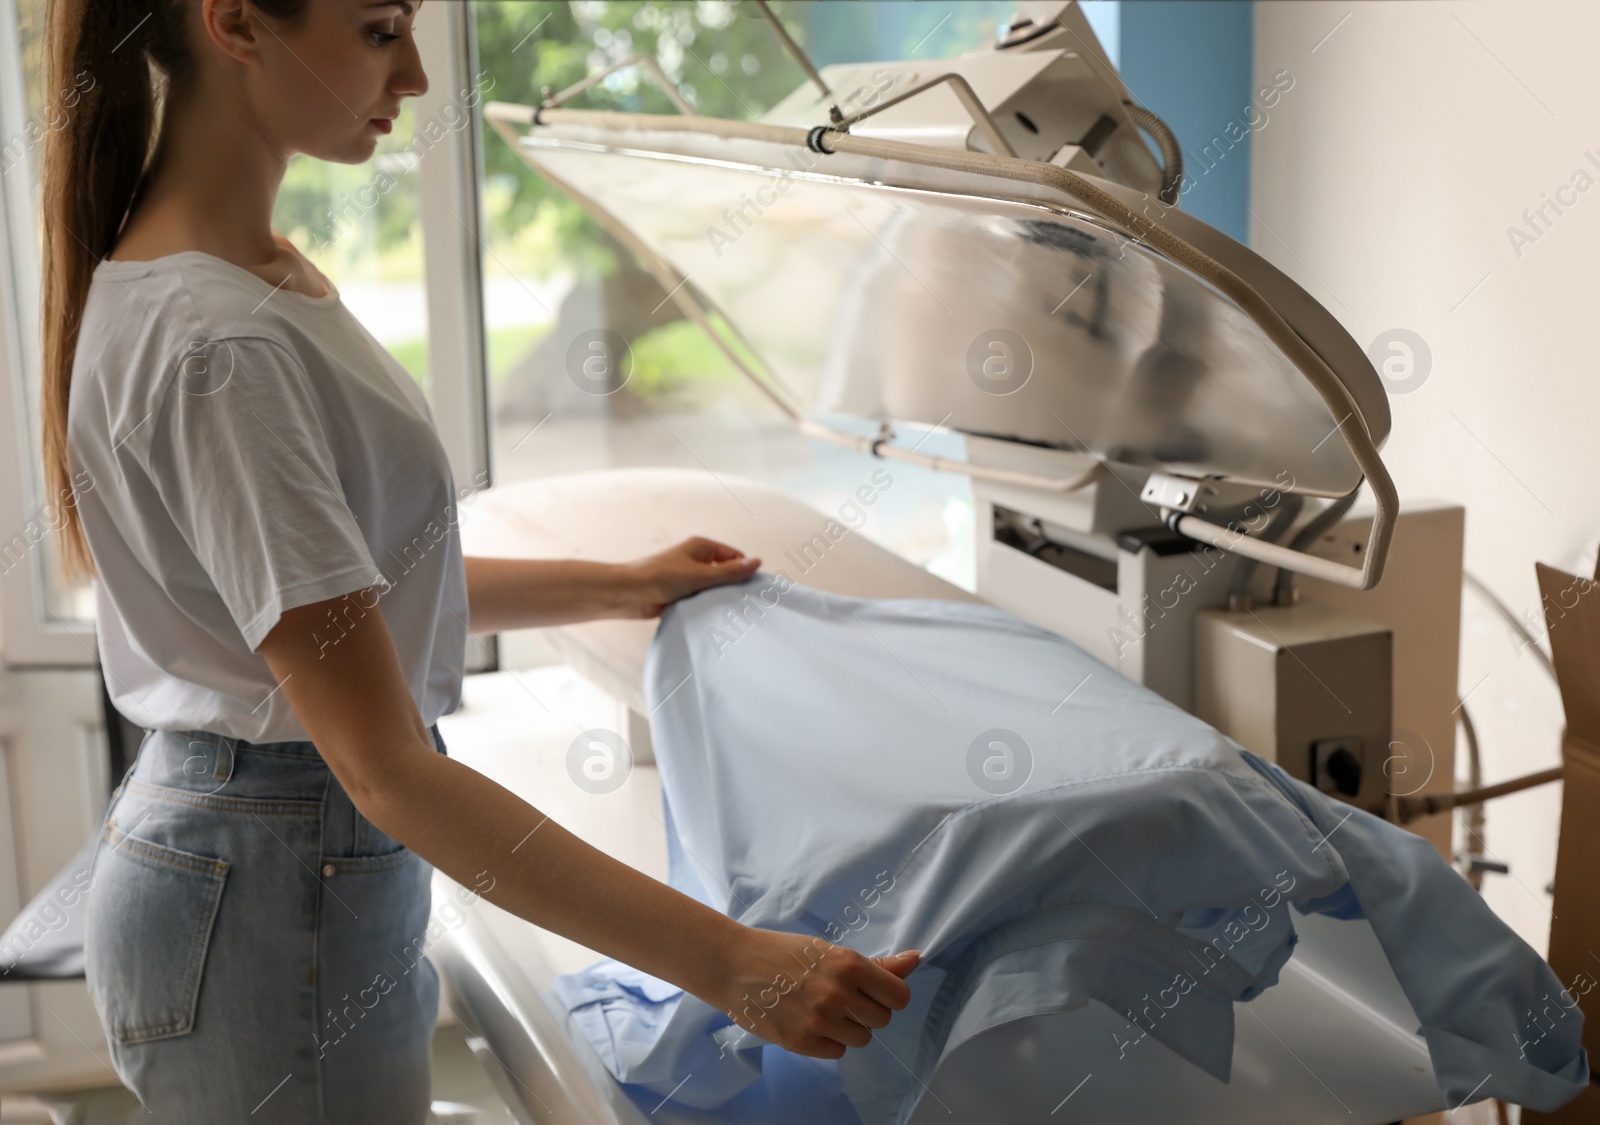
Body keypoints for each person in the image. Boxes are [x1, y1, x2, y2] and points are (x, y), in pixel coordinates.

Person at [37, 1, 920, 1120]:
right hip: (270, 877)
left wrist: (621, 583)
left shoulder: (251, 276)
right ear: (236, 24)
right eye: (376, 28)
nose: (411, 74)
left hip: (284, 862)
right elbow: (383, 768)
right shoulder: (219, 343)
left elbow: (338, 606)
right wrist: (730, 964)